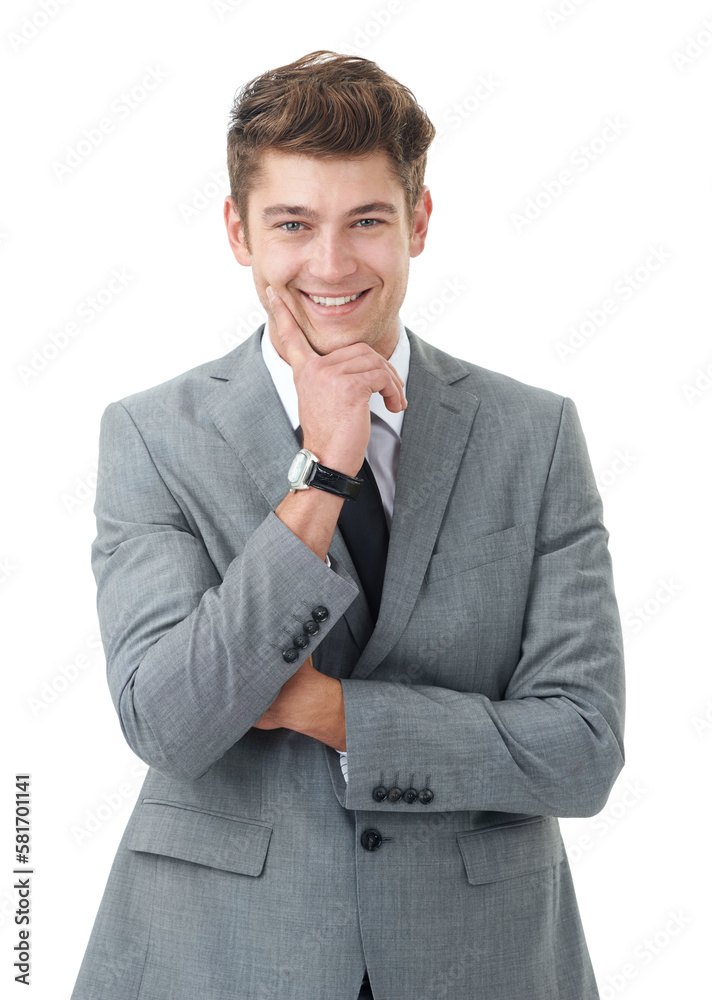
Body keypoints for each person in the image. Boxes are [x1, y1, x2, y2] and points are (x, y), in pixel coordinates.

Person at [70, 50, 625, 1000]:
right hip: (216, 959)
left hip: (480, 960)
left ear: (418, 222)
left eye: (366, 221)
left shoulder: (535, 435)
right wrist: (324, 473)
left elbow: (581, 750)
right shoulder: (153, 437)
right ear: (240, 233)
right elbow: (167, 721)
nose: (329, 265)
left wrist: (335, 714)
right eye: (293, 223)